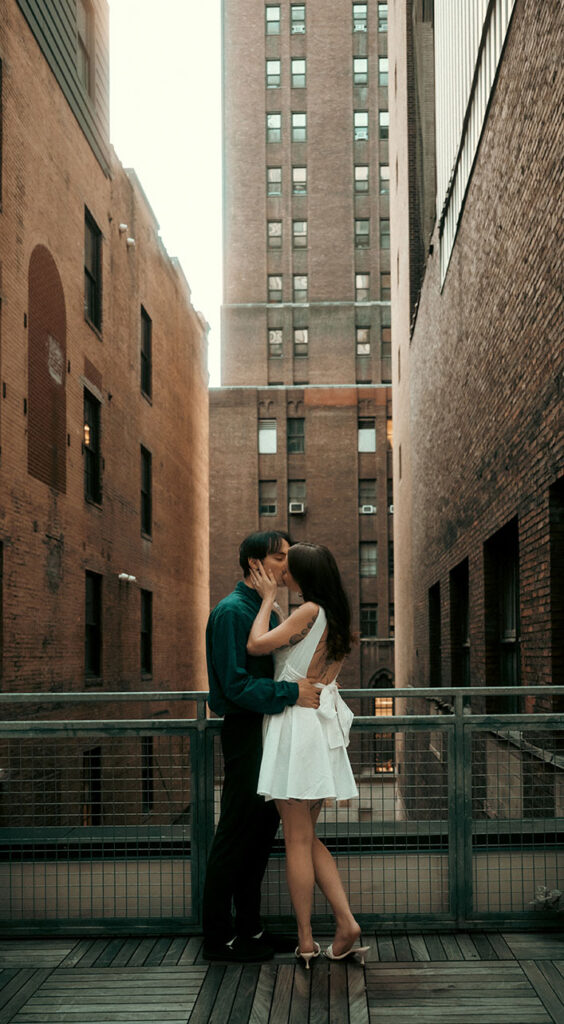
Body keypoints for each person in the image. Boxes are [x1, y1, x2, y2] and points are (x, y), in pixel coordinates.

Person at [247, 542, 369, 967]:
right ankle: (346, 923)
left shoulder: (309, 611)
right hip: (318, 727)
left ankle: (305, 940)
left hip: (297, 727)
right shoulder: (334, 615)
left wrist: (266, 601)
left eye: (288, 568)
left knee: (296, 839)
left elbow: (257, 646)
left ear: (303, 575)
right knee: (308, 837)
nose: (283, 574)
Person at [202, 530, 321, 963]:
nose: (285, 566)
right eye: (278, 558)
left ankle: (250, 930)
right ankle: (217, 939)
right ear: (254, 564)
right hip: (246, 732)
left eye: (287, 558)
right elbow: (233, 686)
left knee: (258, 837)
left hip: (268, 731)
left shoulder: (262, 612)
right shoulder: (233, 612)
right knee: (234, 835)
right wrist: (291, 695)